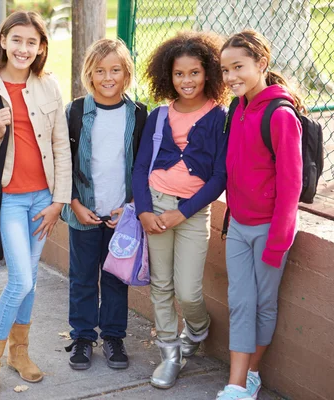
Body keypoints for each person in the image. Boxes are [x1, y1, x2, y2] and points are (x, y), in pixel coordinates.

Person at [0, 10, 71, 400]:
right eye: (17, 40)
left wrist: (59, 200)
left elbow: (61, 144)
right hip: (6, 198)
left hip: (43, 198)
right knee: (20, 279)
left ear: (41, 47)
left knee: (31, 281)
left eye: (32, 42)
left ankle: (18, 353)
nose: (24, 48)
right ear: (4, 41)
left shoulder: (49, 86)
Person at [132, 31, 229, 389]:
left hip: (191, 214)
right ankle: (170, 354)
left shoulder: (220, 117)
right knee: (161, 285)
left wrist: (183, 212)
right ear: (167, 76)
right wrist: (144, 211)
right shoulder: (158, 116)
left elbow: (220, 176)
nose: (186, 81)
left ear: (209, 74)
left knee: (188, 291)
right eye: (179, 74)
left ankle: (199, 328)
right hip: (155, 207)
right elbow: (141, 167)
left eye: (194, 73)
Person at [217, 29, 303, 400]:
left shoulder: (281, 114)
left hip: (271, 231)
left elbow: (291, 185)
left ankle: (250, 375)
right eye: (224, 69)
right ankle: (236, 385)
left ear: (261, 64)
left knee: (263, 304)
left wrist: (278, 241)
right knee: (240, 301)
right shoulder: (237, 108)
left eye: (238, 67)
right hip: (237, 225)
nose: (230, 76)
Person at [61, 38, 145, 371]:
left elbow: (142, 165)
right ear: (90, 74)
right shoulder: (77, 111)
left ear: (126, 74)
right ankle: (82, 337)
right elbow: (62, 160)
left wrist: (132, 207)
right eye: (100, 70)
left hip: (120, 215)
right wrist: (74, 202)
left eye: (115, 70)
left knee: (114, 277)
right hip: (84, 211)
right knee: (82, 277)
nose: (108, 77)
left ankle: (113, 336)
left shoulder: (138, 114)